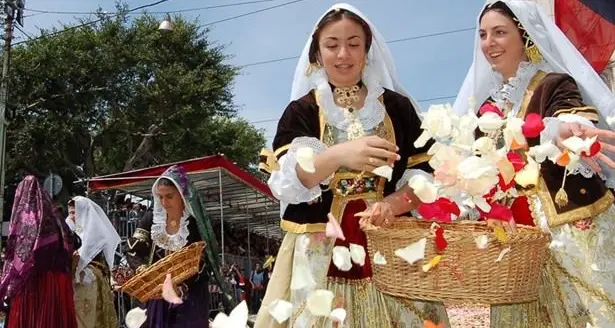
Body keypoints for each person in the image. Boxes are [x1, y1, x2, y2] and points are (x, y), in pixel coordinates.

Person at [255, 3, 449, 327]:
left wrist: (391, 204)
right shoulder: (302, 111)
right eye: (332, 45)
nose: (343, 54)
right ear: (317, 53)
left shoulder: (397, 107)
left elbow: (426, 179)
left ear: (367, 51)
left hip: (391, 241)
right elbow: (290, 182)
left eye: (353, 43)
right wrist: (339, 154)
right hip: (320, 248)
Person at [452, 1, 615, 326]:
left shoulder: (553, 83)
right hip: (515, 238)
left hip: (566, 228)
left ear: (523, 35)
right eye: (483, 35)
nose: (489, 43)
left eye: (499, 32)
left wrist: (562, 130)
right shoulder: (485, 107)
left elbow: (571, 117)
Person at [125, 165, 232, 328]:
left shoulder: (195, 224)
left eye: (169, 196)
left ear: (182, 195)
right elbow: (133, 249)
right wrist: (142, 270)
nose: (164, 202)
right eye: (160, 197)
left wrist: (180, 287)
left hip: (190, 296)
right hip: (157, 295)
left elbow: (200, 263)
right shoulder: (152, 219)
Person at [0, 176, 78, 328]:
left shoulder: (25, 220)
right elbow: (69, 247)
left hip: (32, 285)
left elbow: (19, 261)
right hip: (57, 284)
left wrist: (6, 287)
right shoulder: (58, 219)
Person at [69, 196, 120, 328]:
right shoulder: (68, 231)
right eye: (70, 213)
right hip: (75, 285)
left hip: (91, 284)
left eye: (75, 212)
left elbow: (85, 255)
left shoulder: (94, 234)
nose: (72, 216)